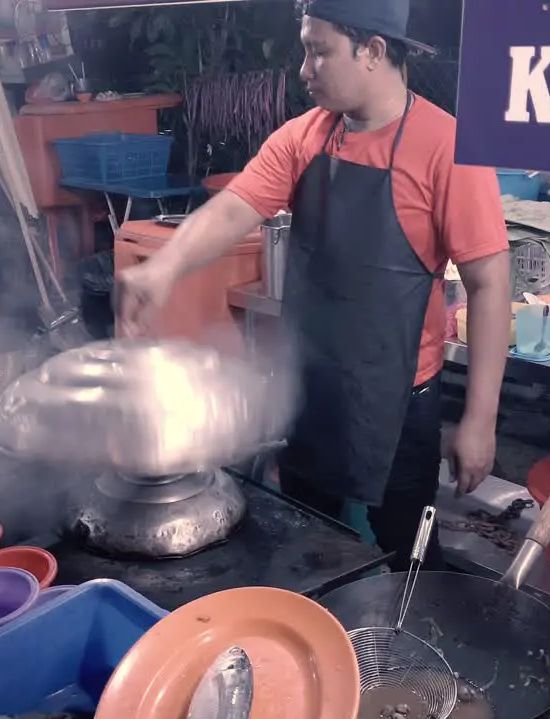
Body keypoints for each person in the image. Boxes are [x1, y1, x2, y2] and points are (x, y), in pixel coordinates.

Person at [117, 0, 512, 569]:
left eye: (319, 51)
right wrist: (163, 267)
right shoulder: (306, 136)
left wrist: (480, 419)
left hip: (400, 399)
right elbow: (234, 209)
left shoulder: (448, 148)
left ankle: (403, 651)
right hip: (311, 386)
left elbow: (489, 283)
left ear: (373, 51)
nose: (304, 70)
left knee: (407, 550)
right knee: (312, 539)